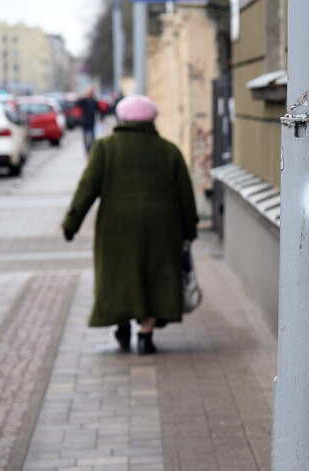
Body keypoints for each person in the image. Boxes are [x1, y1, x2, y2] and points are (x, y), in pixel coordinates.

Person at [61, 95, 199, 354]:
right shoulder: (169, 151)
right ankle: (146, 336)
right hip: (163, 228)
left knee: (120, 276)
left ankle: (122, 326)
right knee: (152, 277)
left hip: (116, 228)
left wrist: (72, 223)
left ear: (121, 117)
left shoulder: (105, 148)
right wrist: (190, 230)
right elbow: (186, 195)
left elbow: (87, 189)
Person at [77, 87, 99, 153]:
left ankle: (92, 149)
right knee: (85, 137)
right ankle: (87, 149)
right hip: (84, 121)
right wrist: (84, 97)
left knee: (92, 137)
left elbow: (97, 109)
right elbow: (78, 104)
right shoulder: (84, 100)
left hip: (91, 121)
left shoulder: (94, 101)